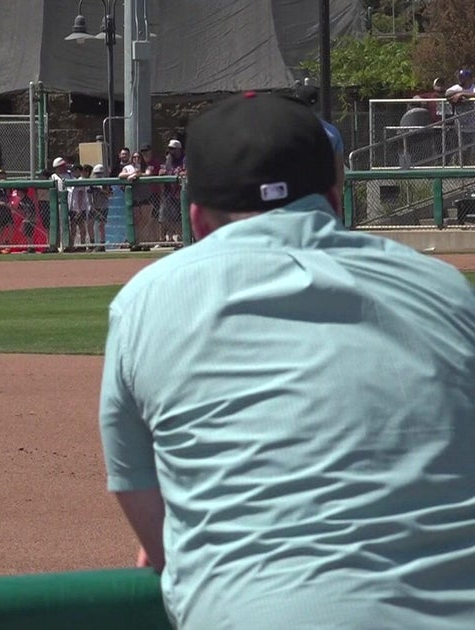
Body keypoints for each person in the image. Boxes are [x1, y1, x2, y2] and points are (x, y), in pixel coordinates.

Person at [97, 92, 475, 630]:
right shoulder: (445, 288)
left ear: (198, 220)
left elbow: (156, 533)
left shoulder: (145, 299)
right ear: (333, 199)